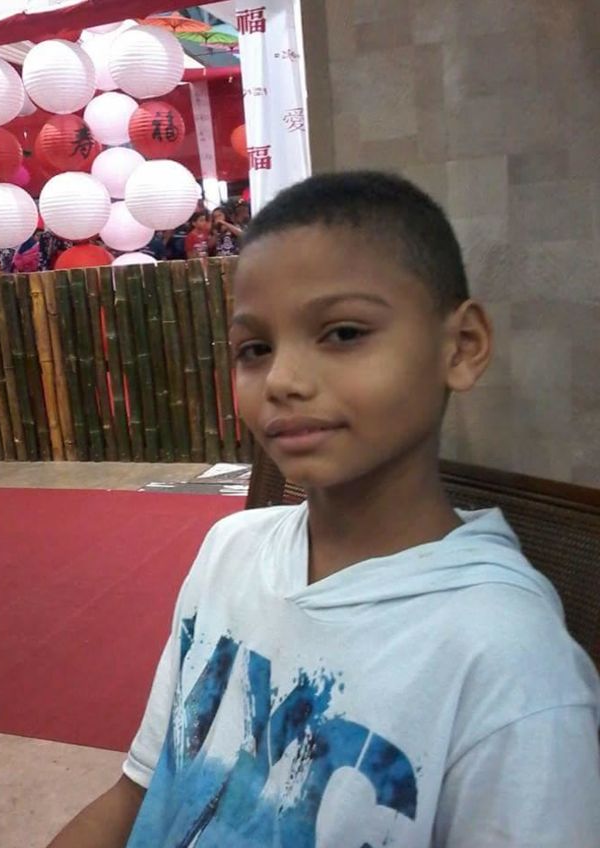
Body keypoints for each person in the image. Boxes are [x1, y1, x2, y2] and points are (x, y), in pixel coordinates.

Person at [46, 171, 600, 847]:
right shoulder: (230, 549)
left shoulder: (510, 667)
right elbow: (139, 792)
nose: (282, 380)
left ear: (461, 347)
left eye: (342, 333)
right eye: (255, 349)